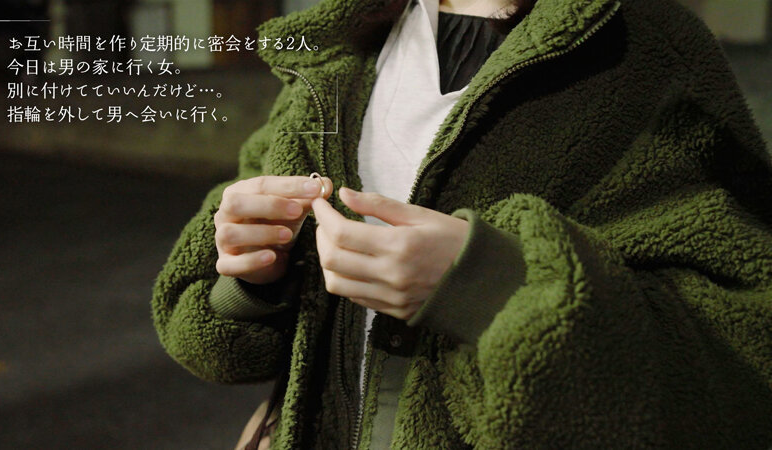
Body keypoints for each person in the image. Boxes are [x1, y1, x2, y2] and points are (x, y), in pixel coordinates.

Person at [151, 0, 772, 448]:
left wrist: (490, 288)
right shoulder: (337, 51)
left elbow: (745, 355)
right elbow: (214, 340)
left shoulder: (649, 47)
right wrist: (251, 279)